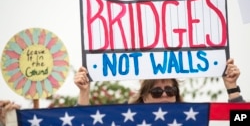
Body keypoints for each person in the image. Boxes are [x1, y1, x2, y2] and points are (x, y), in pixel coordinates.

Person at [74, 58, 245, 105]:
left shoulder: (193, 119)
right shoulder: (127, 120)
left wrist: (231, 87)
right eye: (156, 92)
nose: (165, 94)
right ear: (144, 97)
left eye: (170, 91)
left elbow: (240, 121)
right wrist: (84, 92)